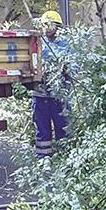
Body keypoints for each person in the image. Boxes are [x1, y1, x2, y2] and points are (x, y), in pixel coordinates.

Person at [32, 9, 72, 159]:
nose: (48, 28)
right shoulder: (37, 43)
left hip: (59, 96)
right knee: (42, 132)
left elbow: (73, 65)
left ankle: (65, 160)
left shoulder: (66, 44)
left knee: (64, 129)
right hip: (40, 95)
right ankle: (43, 160)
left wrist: (64, 68)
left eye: (51, 25)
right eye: (45, 25)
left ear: (58, 27)